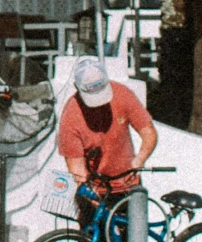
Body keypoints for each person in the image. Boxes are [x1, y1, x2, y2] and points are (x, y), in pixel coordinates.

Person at [58, 54, 158, 198]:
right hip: (96, 188)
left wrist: (140, 159)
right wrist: (91, 194)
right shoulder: (70, 117)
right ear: (77, 87)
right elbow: (77, 169)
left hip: (129, 185)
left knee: (134, 219)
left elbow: (148, 132)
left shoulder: (123, 94)